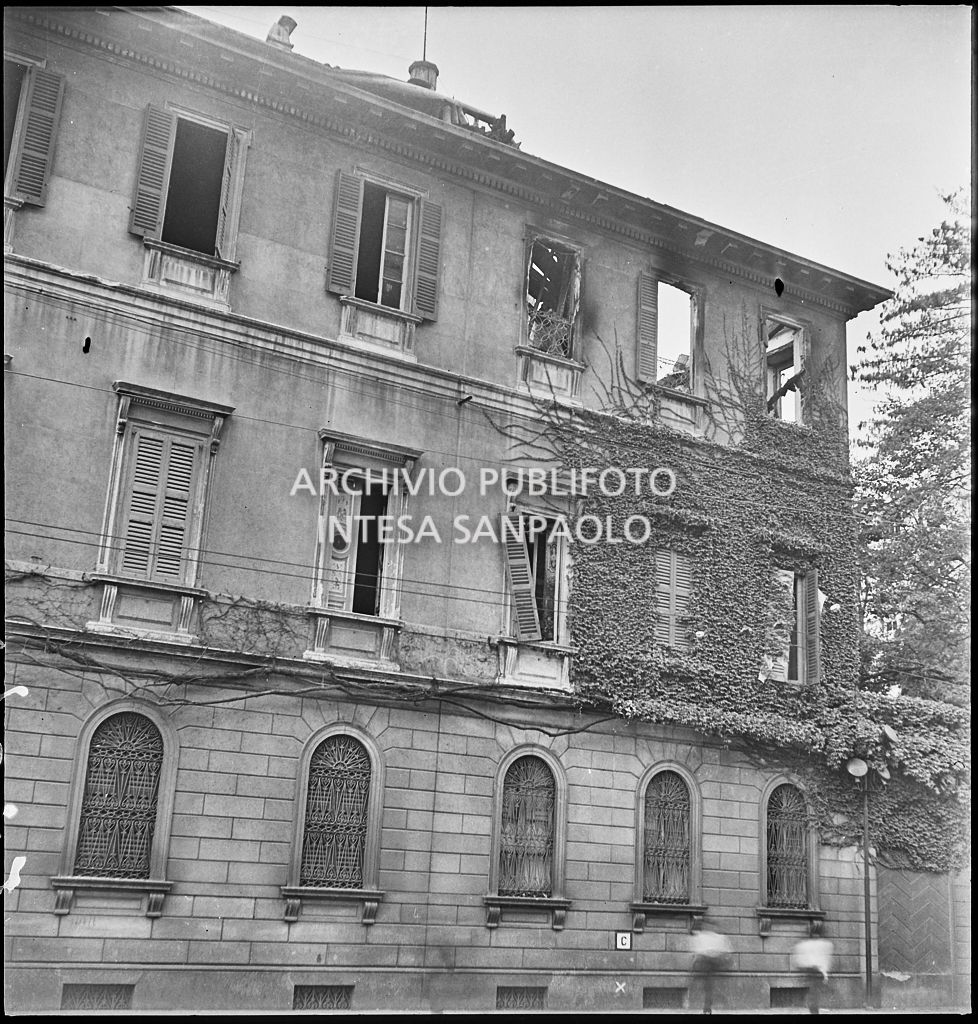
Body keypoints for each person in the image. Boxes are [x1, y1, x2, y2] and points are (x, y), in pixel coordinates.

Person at [689, 923, 731, 1014]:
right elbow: (725, 951)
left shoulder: (703, 936)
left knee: (708, 986)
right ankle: (707, 1007)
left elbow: (697, 952)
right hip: (708, 964)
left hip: (707, 964)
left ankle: (707, 1007)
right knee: (708, 986)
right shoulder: (715, 937)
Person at [791, 931, 834, 1014]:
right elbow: (823, 960)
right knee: (814, 993)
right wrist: (825, 974)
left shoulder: (807, 944)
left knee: (813, 993)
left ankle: (813, 1008)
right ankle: (813, 1009)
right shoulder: (822, 944)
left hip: (812, 971)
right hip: (815, 971)